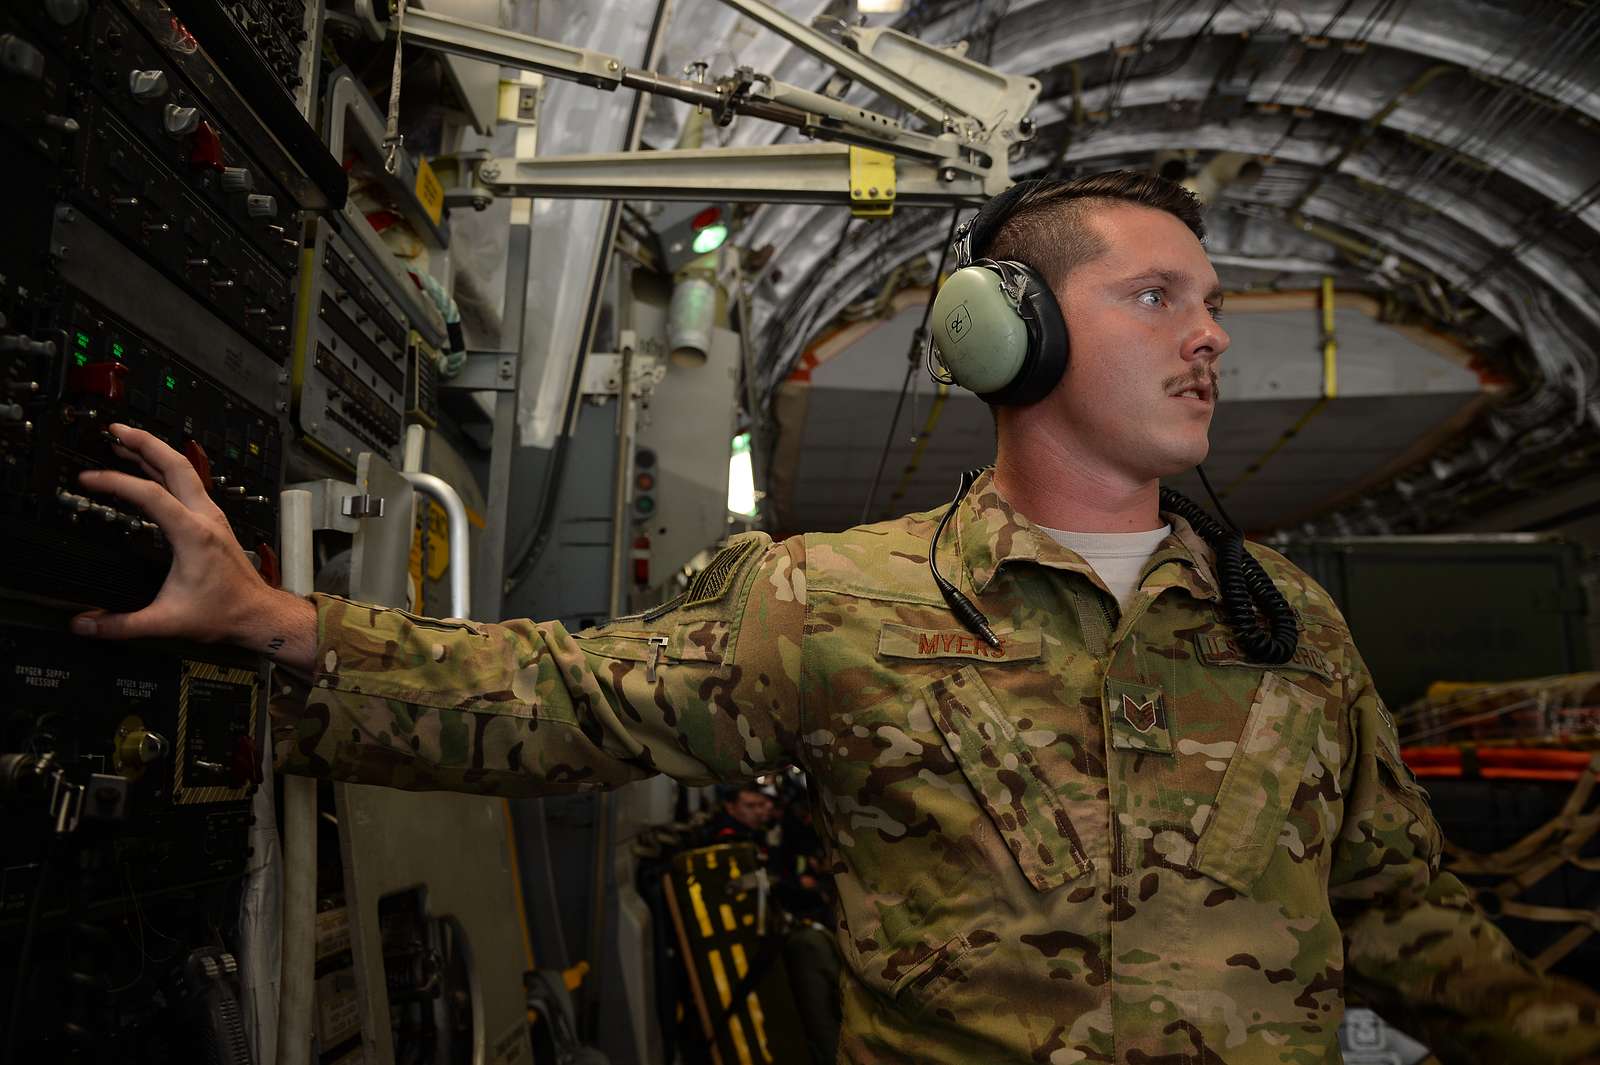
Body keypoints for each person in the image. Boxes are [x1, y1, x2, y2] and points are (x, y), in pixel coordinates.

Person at [71, 172, 1600, 1064]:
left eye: (1213, 304)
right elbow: (561, 699)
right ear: (1014, 332)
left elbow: (1409, 922)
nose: (1212, 337)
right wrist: (281, 619)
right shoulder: (842, 602)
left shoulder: (1294, 633)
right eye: (1158, 298)